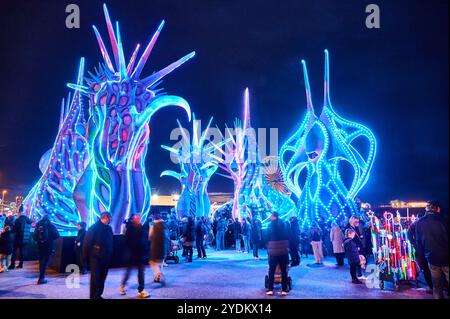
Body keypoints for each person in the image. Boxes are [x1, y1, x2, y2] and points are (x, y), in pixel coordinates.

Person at [415, 201, 449, 299]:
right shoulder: (444, 220)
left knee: (437, 287)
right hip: (446, 258)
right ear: (437, 208)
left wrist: (422, 258)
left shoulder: (420, 222)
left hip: (431, 258)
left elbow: (419, 242)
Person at [83, 212, 114, 299]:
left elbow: (111, 241)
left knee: (102, 277)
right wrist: (84, 259)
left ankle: (98, 294)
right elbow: (87, 244)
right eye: (109, 218)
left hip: (106, 257)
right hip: (95, 258)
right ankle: (93, 296)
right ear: (105, 218)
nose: (110, 220)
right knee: (95, 279)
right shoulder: (94, 228)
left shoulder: (109, 228)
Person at [119, 214, 150, 298]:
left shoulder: (141, 227)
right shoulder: (130, 228)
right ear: (133, 219)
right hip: (132, 254)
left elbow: (145, 239)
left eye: (139, 218)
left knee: (141, 272)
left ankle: (141, 290)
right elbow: (126, 241)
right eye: (137, 219)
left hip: (140, 254)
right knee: (128, 272)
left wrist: (144, 247)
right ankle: (122, 286)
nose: (138, 220)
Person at [407, 211, 433, 293]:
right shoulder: (427, 222)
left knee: (426, 269)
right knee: (433, 268)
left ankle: (431, 287)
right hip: (429, 249)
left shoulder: (415, 223)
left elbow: (409, 235)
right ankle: (436, 286)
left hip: (421, 250)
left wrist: (415, 244)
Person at [266, 212, 290, 296]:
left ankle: (270, 289)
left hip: (273, 250)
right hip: (283, 249)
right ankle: (284, 289)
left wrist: (267, 245)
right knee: (284, 271)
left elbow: (266, 236)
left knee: (271, 270)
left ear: (273, 216)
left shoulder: (270, 225)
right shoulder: (284, 224)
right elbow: (289, 235)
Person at [33, 214, 60, 284]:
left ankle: (41, 277)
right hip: (48, 246)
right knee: (45, 262)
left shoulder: (38, 225)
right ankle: (41, 278)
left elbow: (34, 237)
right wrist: (50, 238)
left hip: (39, 246)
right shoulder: (51, 225)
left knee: (41, 262)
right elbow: (57, 235)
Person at [149, 213, 168, 283]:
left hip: (154, 246)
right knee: (158, 262)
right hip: (162, 246)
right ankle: (157, 277)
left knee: (152, 261)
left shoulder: (153, 226)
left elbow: (150, 236)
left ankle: (158, 273)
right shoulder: (163, 226)